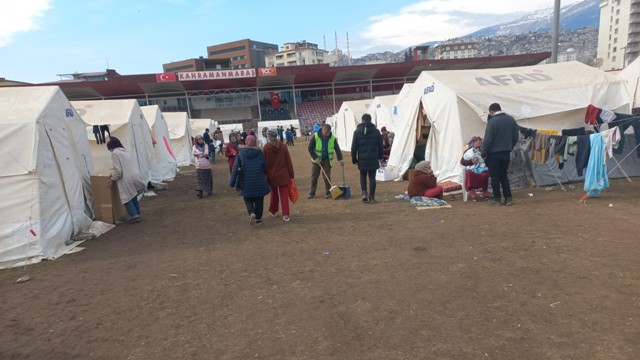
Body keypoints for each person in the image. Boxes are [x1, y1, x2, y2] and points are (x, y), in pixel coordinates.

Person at [481, 103, 519, 206]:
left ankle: (497, 199)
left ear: (492, 112)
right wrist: (510, 147)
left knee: (495, 176)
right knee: (504, 175)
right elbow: (516, 136)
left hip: (493, 154)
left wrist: (483, 152)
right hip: (506, 152)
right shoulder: (511, 119)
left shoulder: (492, 122)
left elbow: (488, 140)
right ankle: (508, 198)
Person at [230, 135, 270, 225]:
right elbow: (265, 166)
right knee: (259, 199)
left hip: (246, 180)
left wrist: (232, 182)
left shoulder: (241, 153)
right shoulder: (260, 153)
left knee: (247, 198)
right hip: (259, 180)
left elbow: (235, 168)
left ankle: (251, 212)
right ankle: (258, 218)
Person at [106, 137, 146, 223]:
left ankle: (134, 215)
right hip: (135, 175)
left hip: (126, 178)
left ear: (111, 147)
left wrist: (112, 180)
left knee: (126, 197)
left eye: (110, 149)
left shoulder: (115, 154)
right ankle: (137, 213)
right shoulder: (125, 152)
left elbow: (118, 171)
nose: (110, 151)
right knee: (133, 195)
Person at [263, 129, 295, 222]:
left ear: (269, 137)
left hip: (272, 175)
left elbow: (264, 163)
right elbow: (288, 161)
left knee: (274, 194)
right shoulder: (283, 146)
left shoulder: (266, 147)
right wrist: (291, 175)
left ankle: (273, 211)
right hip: (283, 174)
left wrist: (264, 175)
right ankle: (286, 214)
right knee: (284, 195)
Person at [351, 113, 383, 203]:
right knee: (372, 177)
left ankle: (364, 193)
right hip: (373, 158)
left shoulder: (356, 132)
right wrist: (381, 157)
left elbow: (354, 147)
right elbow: (380, 146)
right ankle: (372, 197)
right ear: (370, 120)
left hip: (362, 158)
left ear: (362, 120)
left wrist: (354, 159)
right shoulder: (376, 131)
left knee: (363, 176)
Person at [308, 124, 344, 199]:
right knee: (314, 177)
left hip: (326, 160)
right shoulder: (315, 136)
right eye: (326, 133)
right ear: (323, 130)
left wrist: (340, 159)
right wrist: (315, 157)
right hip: (316, 161)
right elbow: (310, 148)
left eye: (328, 133)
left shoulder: (332, 138)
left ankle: (328, 193)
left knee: (327, 176)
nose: (327, 134)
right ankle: (312, 193)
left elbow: (337, 149)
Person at [461, 136, 490, 201]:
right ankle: (473, 191)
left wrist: (483, 160)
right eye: (476, 141)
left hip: (482, 167)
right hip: (472, 167)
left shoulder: (484, 150)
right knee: (469, 173)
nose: (478, 142)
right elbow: (462, 161)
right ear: (473, 142)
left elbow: (487, 160)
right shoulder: (468, 151)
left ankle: (485, 191)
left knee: (485, 174)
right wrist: (471, 162)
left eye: (479, 140)